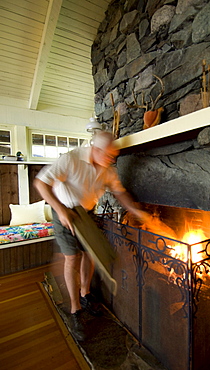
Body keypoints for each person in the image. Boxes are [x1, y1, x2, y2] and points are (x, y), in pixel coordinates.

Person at [34, 131, 150, 341]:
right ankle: (75, 310)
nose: (111, 159)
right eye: (108, 155)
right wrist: (60, 210)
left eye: (113, 156)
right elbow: (41, 183)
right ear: (95, 149)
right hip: (64, 210)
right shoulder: (70, 159)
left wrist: (134, 210)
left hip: (86, 213)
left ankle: (85, 294)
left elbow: (119, 192)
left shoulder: (107, 170)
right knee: (72, 258)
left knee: (90, 254)